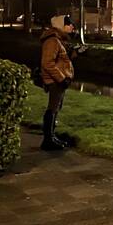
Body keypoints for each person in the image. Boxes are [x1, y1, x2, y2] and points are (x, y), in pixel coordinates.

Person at [40, 14, 77, 150]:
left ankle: (51, 136)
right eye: (69, 24)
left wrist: (75, 53)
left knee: (56, 108)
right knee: (52, 108)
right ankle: (48, 140)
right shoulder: (52, 41)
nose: (72, 26)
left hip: (58, 80)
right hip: (55, 81)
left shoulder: (58, 40)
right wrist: (61, 79)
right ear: (61, 26)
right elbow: (47, 63)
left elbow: (62, 59)